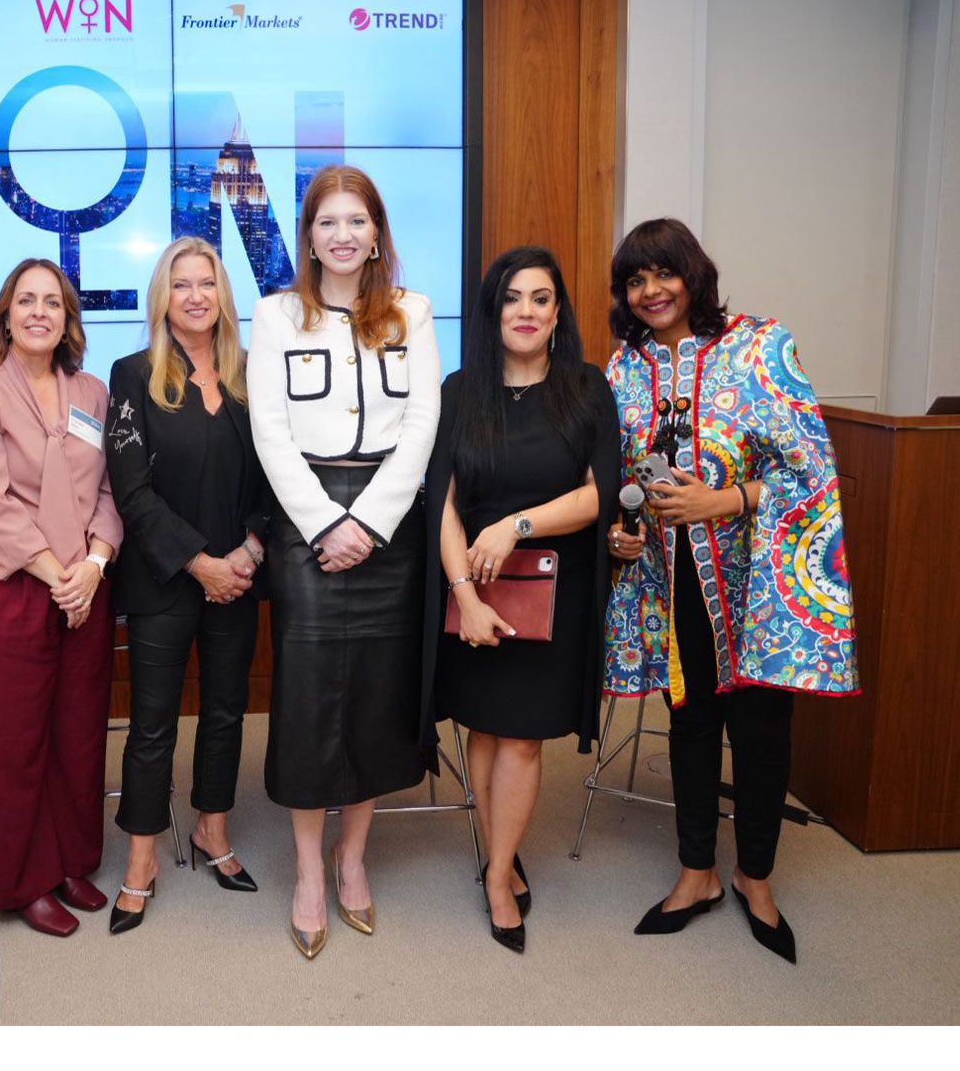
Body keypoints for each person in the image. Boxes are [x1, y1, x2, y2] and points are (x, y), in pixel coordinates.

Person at [604, 218, 858, 964]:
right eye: (635, 280)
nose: (651, 291)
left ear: (694, 273)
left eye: (663, 273)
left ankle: (755, 875)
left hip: (757, 589)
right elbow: (618, 481)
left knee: (760, 734)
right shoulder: (624, 370)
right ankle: (695, 873)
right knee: (688, 726)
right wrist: (624, 536)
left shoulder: (760, 346)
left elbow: (811, 469)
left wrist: (726, 501)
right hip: (672, 581)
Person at [245, 164, 441, 959]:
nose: (343, 235)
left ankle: (353, 858)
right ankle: (306, 870)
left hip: (392, 525)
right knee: (308, 698)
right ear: (309, 236)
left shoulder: (411, 312)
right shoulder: (276, 313)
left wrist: (374, 522)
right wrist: (328, 524)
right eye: (328, 222)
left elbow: (424, 418)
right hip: (306, 524)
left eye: (357, 220)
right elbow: (270, 432)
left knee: (374, 695)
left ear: (378, 233)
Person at [422, 246, 620, 955]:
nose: (526, 312)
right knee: (483, 724)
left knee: (523, 736)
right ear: (492, 311)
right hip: (472, 593)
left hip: (549, 596)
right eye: (512, 298)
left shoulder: (587, 389)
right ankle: (495, 847)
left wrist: (516, 523)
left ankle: (500, 874)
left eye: (541, 298)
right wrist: (463, 596)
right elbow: (441, 505)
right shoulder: (459, 391)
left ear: (558, 311)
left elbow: (601, 494)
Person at [0, 258, 124, 938]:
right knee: (13, 743)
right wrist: (60, 574)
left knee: (77, 735)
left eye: (53, 301)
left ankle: (71, 860)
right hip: (9, 586)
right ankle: (22, 880)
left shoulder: (93, 392)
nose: (40, 312)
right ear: (5, 315)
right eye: (26, 300)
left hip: (85, 585)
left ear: (69, 318)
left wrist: (96, 565)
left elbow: (111, 489)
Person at [103, 237, 270, 934]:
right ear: (162, 297)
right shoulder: (132, 374)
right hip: (165, 579)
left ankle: (212, 829)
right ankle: (140, 860)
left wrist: (251, 553)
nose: (195, 295)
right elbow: (131, 491)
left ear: (224, 295)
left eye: (207, 283)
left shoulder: (253, 375)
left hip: (239, 574)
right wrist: (200, 563)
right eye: (181, 284)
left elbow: (275, 478)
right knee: (152, 724)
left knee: (228, 710)